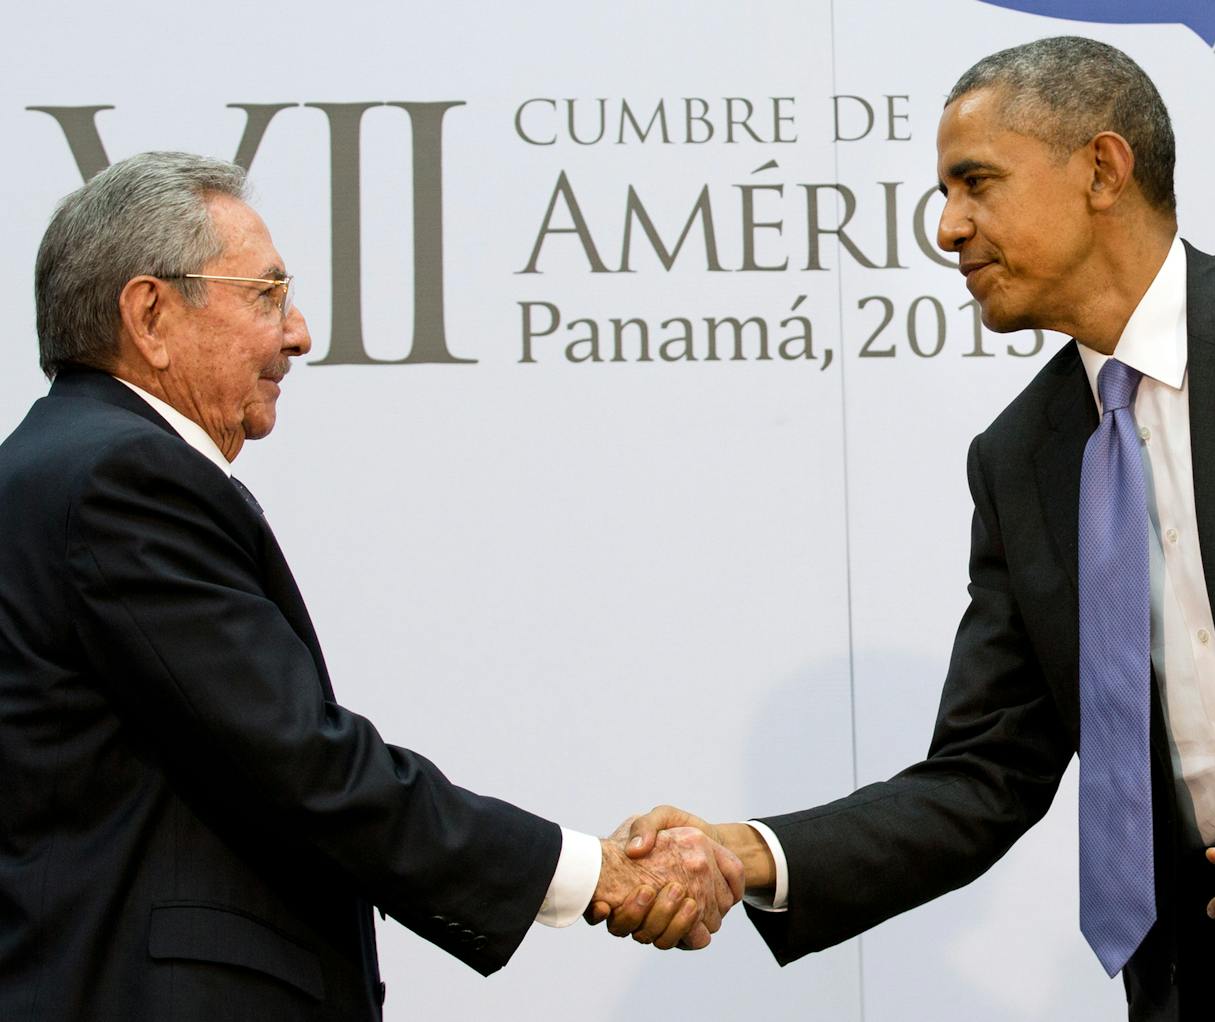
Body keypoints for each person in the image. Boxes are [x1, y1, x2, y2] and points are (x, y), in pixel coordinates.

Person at [604, 36, 1215, 1021]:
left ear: (1100, 169)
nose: (947, 228)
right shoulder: (1019, 459)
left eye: (974, 182)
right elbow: (982, 774)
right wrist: (747, 851)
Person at [0, 151, 743, 1021]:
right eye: (266, 295)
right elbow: (300, 762)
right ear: (151, 311)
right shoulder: (120, 480)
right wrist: (592, 875)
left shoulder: (63, 466)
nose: (300, 332)